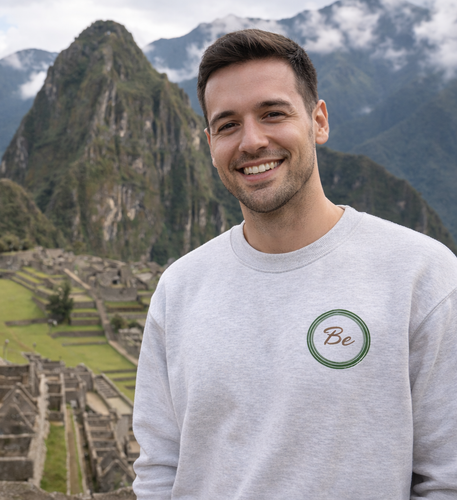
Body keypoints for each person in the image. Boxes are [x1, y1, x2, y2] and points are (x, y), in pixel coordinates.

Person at [132, 29, 457, 499]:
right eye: (227, 125)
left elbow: (447, 478)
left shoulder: (421, 276)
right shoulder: (180, 288)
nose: (251, 141)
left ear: (318, 121)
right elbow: (159, 469)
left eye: (273, 114)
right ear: (209, 143)